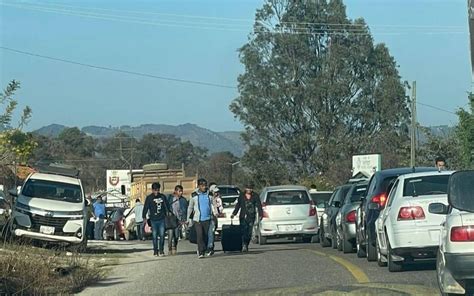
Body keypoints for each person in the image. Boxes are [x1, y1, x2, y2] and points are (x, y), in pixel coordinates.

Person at [187, 178, 215, 259]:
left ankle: (205, 248)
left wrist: (215, 214)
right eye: (202, 186)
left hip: (207, 218)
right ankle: (200, 251)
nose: (204, 187)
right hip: (198, 219)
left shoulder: (209, 194)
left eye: (205, 185)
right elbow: (190, 207)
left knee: (206, 235)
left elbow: (213, 204)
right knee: (199, 236)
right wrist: (188, 219)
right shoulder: (194, 195)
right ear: (199, 186)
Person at [231, 183, 263, 252]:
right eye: (248, 188)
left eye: (250, 188)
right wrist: (234, 213)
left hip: (251, 216)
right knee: (243, 231)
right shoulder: (241, 196)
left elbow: (259, 205)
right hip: (243, 216)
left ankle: (246, 244)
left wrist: (261, 214)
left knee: (249, 232)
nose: (249, 190)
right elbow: (238, 205)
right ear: (245, 189)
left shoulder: (255, 196)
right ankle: (244, 245)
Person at [142, 182, 170, 257]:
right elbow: (145, 208)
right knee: (154, 236)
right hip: (153, 220)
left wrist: (168, 213)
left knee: (162, 235)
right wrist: (144, 217)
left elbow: (167, 206)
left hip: (162, 219)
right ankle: (155, 251)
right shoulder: (149, 198)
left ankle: (161, 250)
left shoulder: (162, 197)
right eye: (155, 190)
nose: (156, 192)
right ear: (152, 190)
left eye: (158, 190)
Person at [167, 185, 188, 255]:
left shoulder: (183, 200)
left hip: (178, 220)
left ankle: (175, 247)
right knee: (170, 235)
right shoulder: (170, 198)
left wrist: (184, 220)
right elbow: (166, 207)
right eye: (179, 191)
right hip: (170, 220)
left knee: (176, 236)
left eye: (182, 191)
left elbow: (185, 211)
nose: (181, 193)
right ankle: (169, 248)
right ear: (175, 191)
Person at [207, 184, 223, 256]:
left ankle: (211, 246)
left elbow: (220, 208)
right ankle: (208, 247)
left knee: (212, 232)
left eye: (217, 192)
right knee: (209, 232)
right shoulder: (207, 198)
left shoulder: (218, 199)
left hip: (214, 218)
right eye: (214, 192)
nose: (216, 193)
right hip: (207, 217)